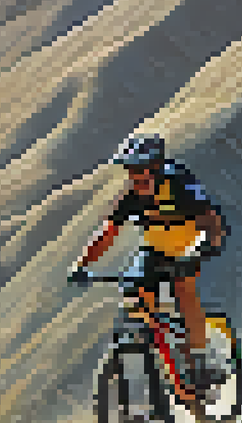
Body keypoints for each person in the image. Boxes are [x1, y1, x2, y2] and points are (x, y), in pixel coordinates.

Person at [70, 133, 229, 397]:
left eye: (142, 171)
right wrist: (82, 265)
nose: (136, 177)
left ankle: (202, 359)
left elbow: (211, 219)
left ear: (156, 168)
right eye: (131, 171)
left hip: (192, 243)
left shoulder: (179, 185)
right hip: (156, 249)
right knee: (135, 291)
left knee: (182, 286)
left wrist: (209, 246)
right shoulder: (131, 196)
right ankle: (158, 354)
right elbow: (108, 233)